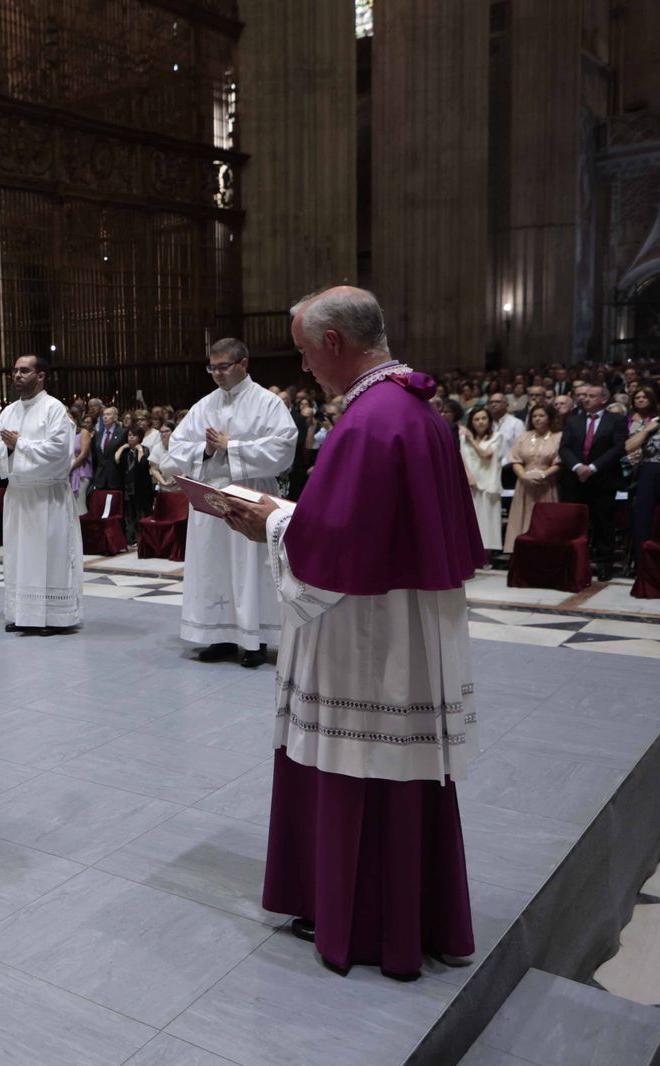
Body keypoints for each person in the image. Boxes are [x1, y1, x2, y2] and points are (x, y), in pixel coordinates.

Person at [223, 285, 484, 981]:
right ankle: (400, 915)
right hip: (402, 621)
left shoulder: (371, 420)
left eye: (307, 354)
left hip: (370, 638)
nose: (306, 367)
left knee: (364, 764)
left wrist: (270, 521)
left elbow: (333, 546)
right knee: (397, 772)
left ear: (334, 344)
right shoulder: (410, 407)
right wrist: (296, 512)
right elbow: (356, 520)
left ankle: (365, 922)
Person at [158, 338, 298, 669]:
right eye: (212, 368)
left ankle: (255, 639)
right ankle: (218, 634)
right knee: (214, 565)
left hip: (251, 495)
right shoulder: (203, 405)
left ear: (243, 364)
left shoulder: (268, 403)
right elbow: (174, 451)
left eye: (224, 367)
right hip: (210, 498)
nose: (217, 374)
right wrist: (205, 451)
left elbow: (284, 448)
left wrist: (231, 447)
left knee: (250, 566)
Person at [0, 354, 83, 634]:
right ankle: (24, 614)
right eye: (15, 371)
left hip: (47, 496)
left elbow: (60, 452)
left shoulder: (55, 410)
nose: (17, 375)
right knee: (20, 556)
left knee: (50, 555)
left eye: (25, 371)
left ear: (40, 376)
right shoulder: (8, 411)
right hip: (19, 495)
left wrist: (21, 444)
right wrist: (7, 448)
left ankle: (53, 617)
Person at [559, 383, 629, 580]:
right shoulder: (574, 420)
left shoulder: (616, 420)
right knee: (573, 522)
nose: (585, 399)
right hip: (575, 480)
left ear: (604, 399)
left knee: (603, 523)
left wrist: (593, 468)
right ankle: (572, 562)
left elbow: (617, 448)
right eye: (584, 396)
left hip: (602, 480)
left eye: (591, 396)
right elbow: (564, 448)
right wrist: (577, 467)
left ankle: (604, 564)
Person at [504, 402, 561, 553]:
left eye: (541, 415)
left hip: (547, 483)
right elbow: (515, 459)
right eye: (534, 416)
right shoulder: (524, 436)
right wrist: (523, 476)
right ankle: (521, 551)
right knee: (522, 517)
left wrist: (544, 474)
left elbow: (559, 462)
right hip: (524, 483)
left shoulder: (558, 437)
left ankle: (544, 551)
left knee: (545, 518)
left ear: (549, 418)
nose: (537, 419)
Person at [627, 392, 660, 564]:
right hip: (648, 475)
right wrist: (646, 429)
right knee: (644, 519)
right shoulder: (653, 425)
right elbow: (629, 446)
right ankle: (643, 564)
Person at [459, 408, 503, 553]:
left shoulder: (496, 436)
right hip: (469, 481)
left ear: (489, 421)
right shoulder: (462, 437)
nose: (480, 422)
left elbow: (486, 454)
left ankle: (485, 555)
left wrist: (471, 439)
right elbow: (461, 458)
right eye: (476, 419)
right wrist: (468, 476)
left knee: (487, 520)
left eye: (483, 418)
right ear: (471, 421)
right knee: (468, 519)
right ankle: (468, 554)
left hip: (488, 482)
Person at [116, 427, 151, 543]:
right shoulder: (125, 451)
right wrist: (122, 447)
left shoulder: (144, 449)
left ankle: (142, 538)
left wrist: (139, 449)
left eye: (134, 435)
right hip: (127, 486)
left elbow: (143, 463)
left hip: (140, 487)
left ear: (139, 438)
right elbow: (116, 459)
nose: (131, 437)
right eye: (129, 435)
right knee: (129, 513)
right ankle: (131, 538)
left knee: (140, 512)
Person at [89, 406, 125, 491]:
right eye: (104, 415)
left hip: (116, 476)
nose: (105, 417)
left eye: (108, 414)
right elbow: (95, 456)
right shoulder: (98, 434)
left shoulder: (122, 432)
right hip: (100, 478)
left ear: (115, 417)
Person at [69, 414, 94, 515]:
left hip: (81, 472)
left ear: (75, 419)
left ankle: (82, 529)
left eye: (70, 418)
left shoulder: (84, 433)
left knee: (79, 505)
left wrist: (69, 468)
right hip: (67, 473)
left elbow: (84, 454)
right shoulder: (66, 434)